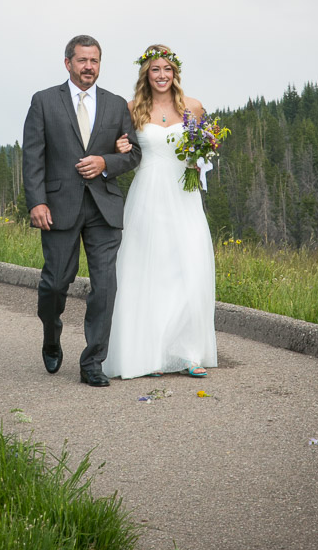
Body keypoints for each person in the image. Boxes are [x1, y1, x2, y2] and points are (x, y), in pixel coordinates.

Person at [22, 35, 141, 387]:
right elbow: (33, 157)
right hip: (58, 208)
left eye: (94, 61)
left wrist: (107, 161)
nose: (89, 66)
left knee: (105, 286)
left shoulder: (117, 105)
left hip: (104, 208)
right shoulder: (43, 101)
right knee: (56, 283)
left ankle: (93, 363)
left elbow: (132, 154)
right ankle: (51, 332)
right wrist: (37, 201)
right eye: (82, 60)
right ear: (68, 63)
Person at [102, 45, 218, 380]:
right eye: (155, 70)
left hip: (184, 195)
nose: (162, 75)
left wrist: (203, 156)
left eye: (167, 69)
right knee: (148, 271)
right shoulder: (131, 108)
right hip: (148, 194)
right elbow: (117, 149)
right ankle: (149, 354)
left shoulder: (193, 107)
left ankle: (188, 353)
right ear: (146, 74)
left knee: (189, 268)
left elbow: (206, 149)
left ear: (175, 72)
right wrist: (119, 147)